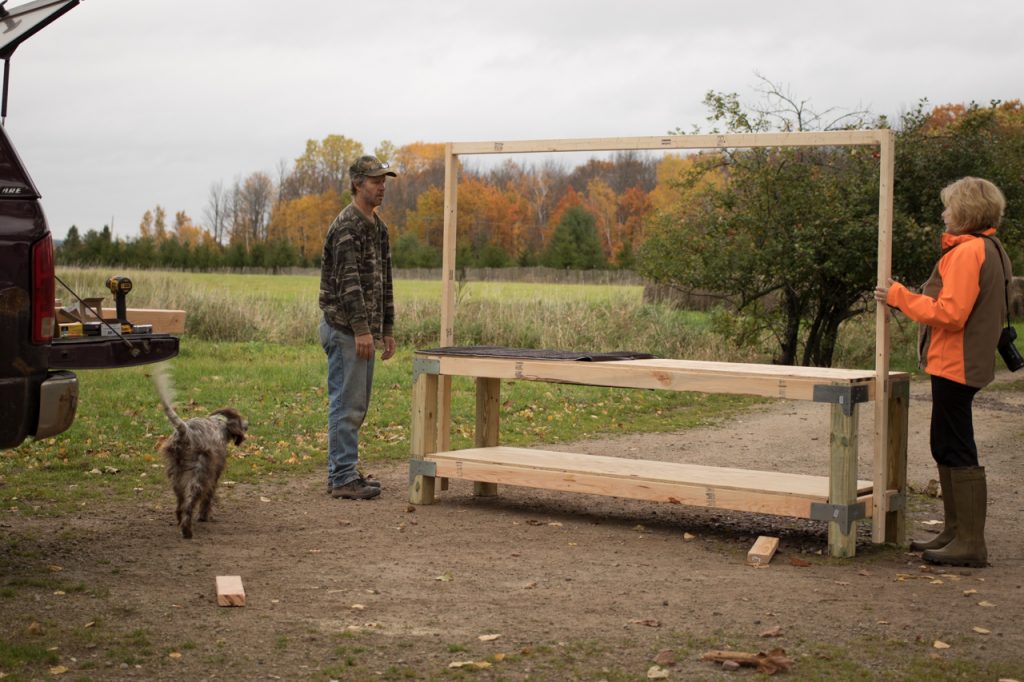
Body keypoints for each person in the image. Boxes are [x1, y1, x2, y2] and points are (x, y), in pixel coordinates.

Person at [875, 176, 1012, 567]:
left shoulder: (969, 252)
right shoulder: (990, 248)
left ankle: (969, 542)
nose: (944, 212)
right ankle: (955, 532)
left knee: (955, 446)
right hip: (961, 361)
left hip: (957, 361)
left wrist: (899, 297)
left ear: (966, 211)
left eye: (950, 206)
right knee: (946, 443)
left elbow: (950, 314)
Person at [318, 155, 398, 500]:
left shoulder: (378, 228)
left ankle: (345, 470)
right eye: (374, 180)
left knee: (357, 404)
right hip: (344, 329)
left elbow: (384, 283)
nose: (381, 186)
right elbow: (349, 284)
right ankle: (342, 477)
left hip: (363, 331)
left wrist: (387, 328)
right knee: (346, 404)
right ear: (357, 183)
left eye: (384, 180)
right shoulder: (347, 226)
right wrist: (363, 330)